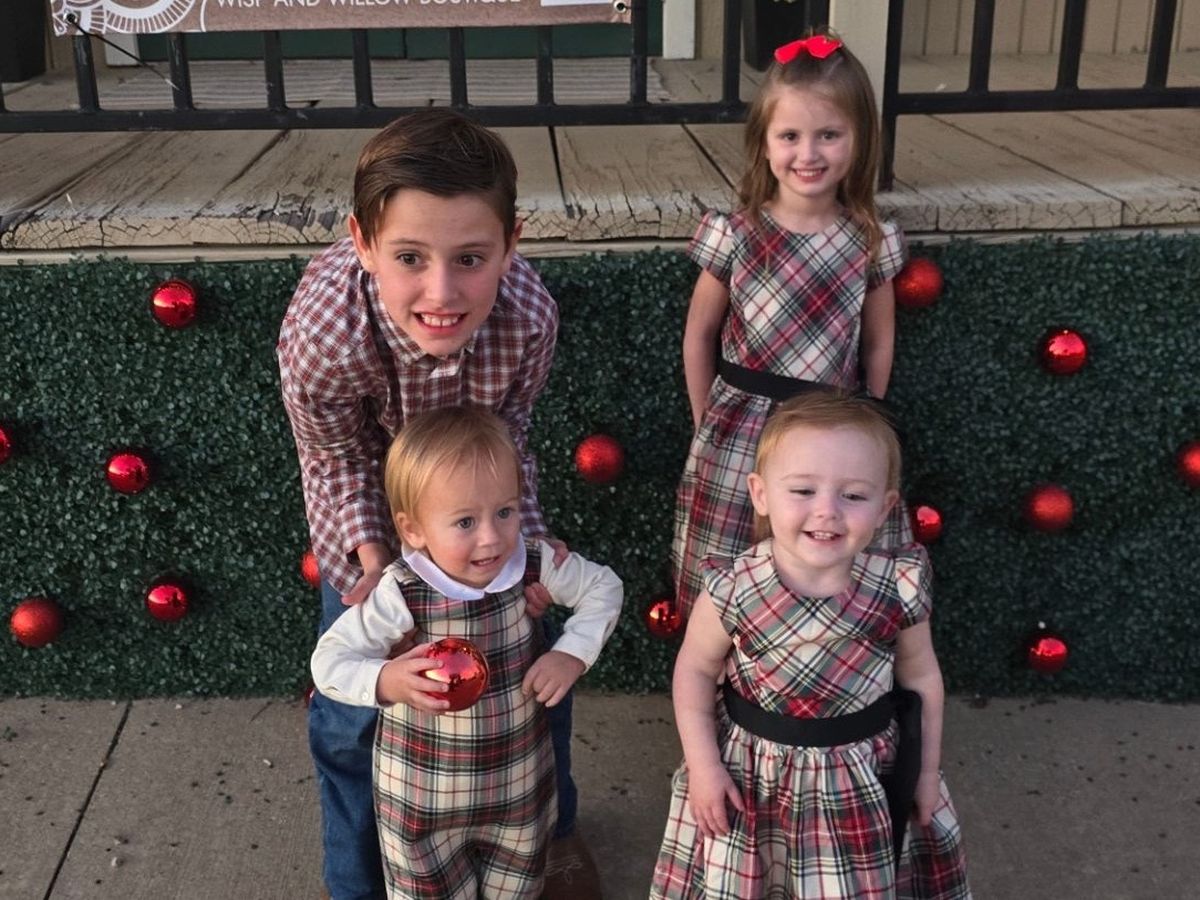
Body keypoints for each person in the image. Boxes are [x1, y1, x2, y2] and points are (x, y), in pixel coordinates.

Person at [277, 109, 601, 900]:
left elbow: (508, 438)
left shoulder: (528, 317)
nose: (442, 292)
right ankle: (356, 878)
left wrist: (526, 546)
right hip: (371, 508)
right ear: (363, 243)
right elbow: (335, 457)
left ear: (511, 243)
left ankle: (552, 833)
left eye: (471, 259)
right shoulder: (324, 336)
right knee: (352, 716)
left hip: (477, 500)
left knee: (534, 670)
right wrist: (377, 564)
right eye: (410, 258)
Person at [651, 390, 970, 899]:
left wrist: (927, 772)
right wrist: (704, 767)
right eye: (802, 490)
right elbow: (694, 670)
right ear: (760, 494)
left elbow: (921, 676)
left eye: (854, 496)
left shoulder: (897, 586)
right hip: (754, 780)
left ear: (885, 507)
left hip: (858, 782)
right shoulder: (733, 588)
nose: (827, 511)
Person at [311, 406, 622, 899]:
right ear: (413, 529)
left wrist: (571, 653)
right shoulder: (400, 593)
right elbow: (329, 661)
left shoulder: (533, 563)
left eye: (505, 511)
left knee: (518, 888)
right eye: (464, 521)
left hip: (518, 792)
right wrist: (386, 679)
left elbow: (603, 587)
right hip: (421, 803)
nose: (491, 537)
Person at [672, 30, 913, 620]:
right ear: (764, 142)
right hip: (742, 428)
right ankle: (723, 661)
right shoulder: (737, 233)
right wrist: (706, 419)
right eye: (790, 136)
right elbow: (700, 334)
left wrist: (870, 420)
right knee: (732, 563)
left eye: (829, 134)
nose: (808, 154)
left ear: (860, 139)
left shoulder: (869, 241)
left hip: (832, 427)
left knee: (827, 552)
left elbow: (878, 339)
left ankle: (817, 656)